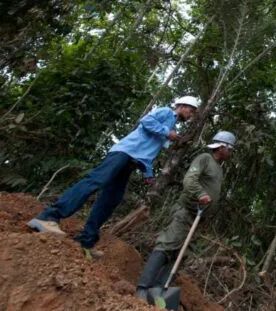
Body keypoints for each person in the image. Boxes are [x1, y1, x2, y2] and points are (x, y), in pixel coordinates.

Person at [27, 96, 200, 258]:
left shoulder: (173, 128)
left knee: (111, 200)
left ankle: (85, 241)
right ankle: (49, 217)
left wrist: (148, 173)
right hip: (123, 153)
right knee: (95, 181)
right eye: (191, 111)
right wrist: (166, 132)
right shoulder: (166, 112)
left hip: (131, 162)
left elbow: (150, 150)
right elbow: (146, 121)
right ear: (183, 106)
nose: (191, 115)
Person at [136, 130, 236, 301]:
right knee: (167, 245)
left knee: (180, 254)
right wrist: (201, 194)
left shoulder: (219, 169)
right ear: (221, 147)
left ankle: (158, 292)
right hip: (186, 212)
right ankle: (142, 289)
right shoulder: (205, 159)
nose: (231, 152)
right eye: (230, 149)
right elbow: (189, 180)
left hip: (199, 218)